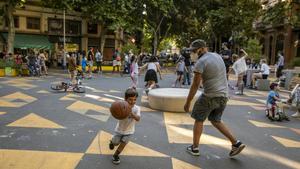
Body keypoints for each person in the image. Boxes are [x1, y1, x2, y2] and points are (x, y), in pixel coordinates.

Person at [184, 39, 245, 157]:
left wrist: (188, 102)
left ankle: (195, 148)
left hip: (210, 96)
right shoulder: (217, 56)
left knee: (199, 119)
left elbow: (195, 84)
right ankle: (236, 143)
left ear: (201, 49)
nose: (192, 53)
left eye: (193, 51)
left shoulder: (200, 62)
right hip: (223, 96)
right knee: (216, 120)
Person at [109, 88, 141, 165]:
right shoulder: (121, 106)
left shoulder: (136, 108)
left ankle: (116, 155)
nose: (132, 101)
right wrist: (115, 111)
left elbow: (138, 119)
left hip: (129, 131)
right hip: (119, 130)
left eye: (135, 99)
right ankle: (112, 142)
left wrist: (132, 114)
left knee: (123, 144)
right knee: (116, 143)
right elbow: (115, 112)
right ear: (125, 99)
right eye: (130, 99)